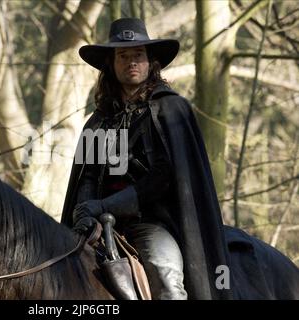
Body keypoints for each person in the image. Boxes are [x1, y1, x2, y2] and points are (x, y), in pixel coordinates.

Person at [61, 18, 233, 300]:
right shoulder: (99, 121)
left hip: (153, 222)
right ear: (111, 64)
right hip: (98, 224)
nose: (131, 62)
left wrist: (107, 205)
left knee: (166, 276)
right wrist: (84, 211)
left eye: (138, 55)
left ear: (150, 61)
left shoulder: (171, 109)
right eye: (123, 56)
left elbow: (164, 176)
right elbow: (88, 175)